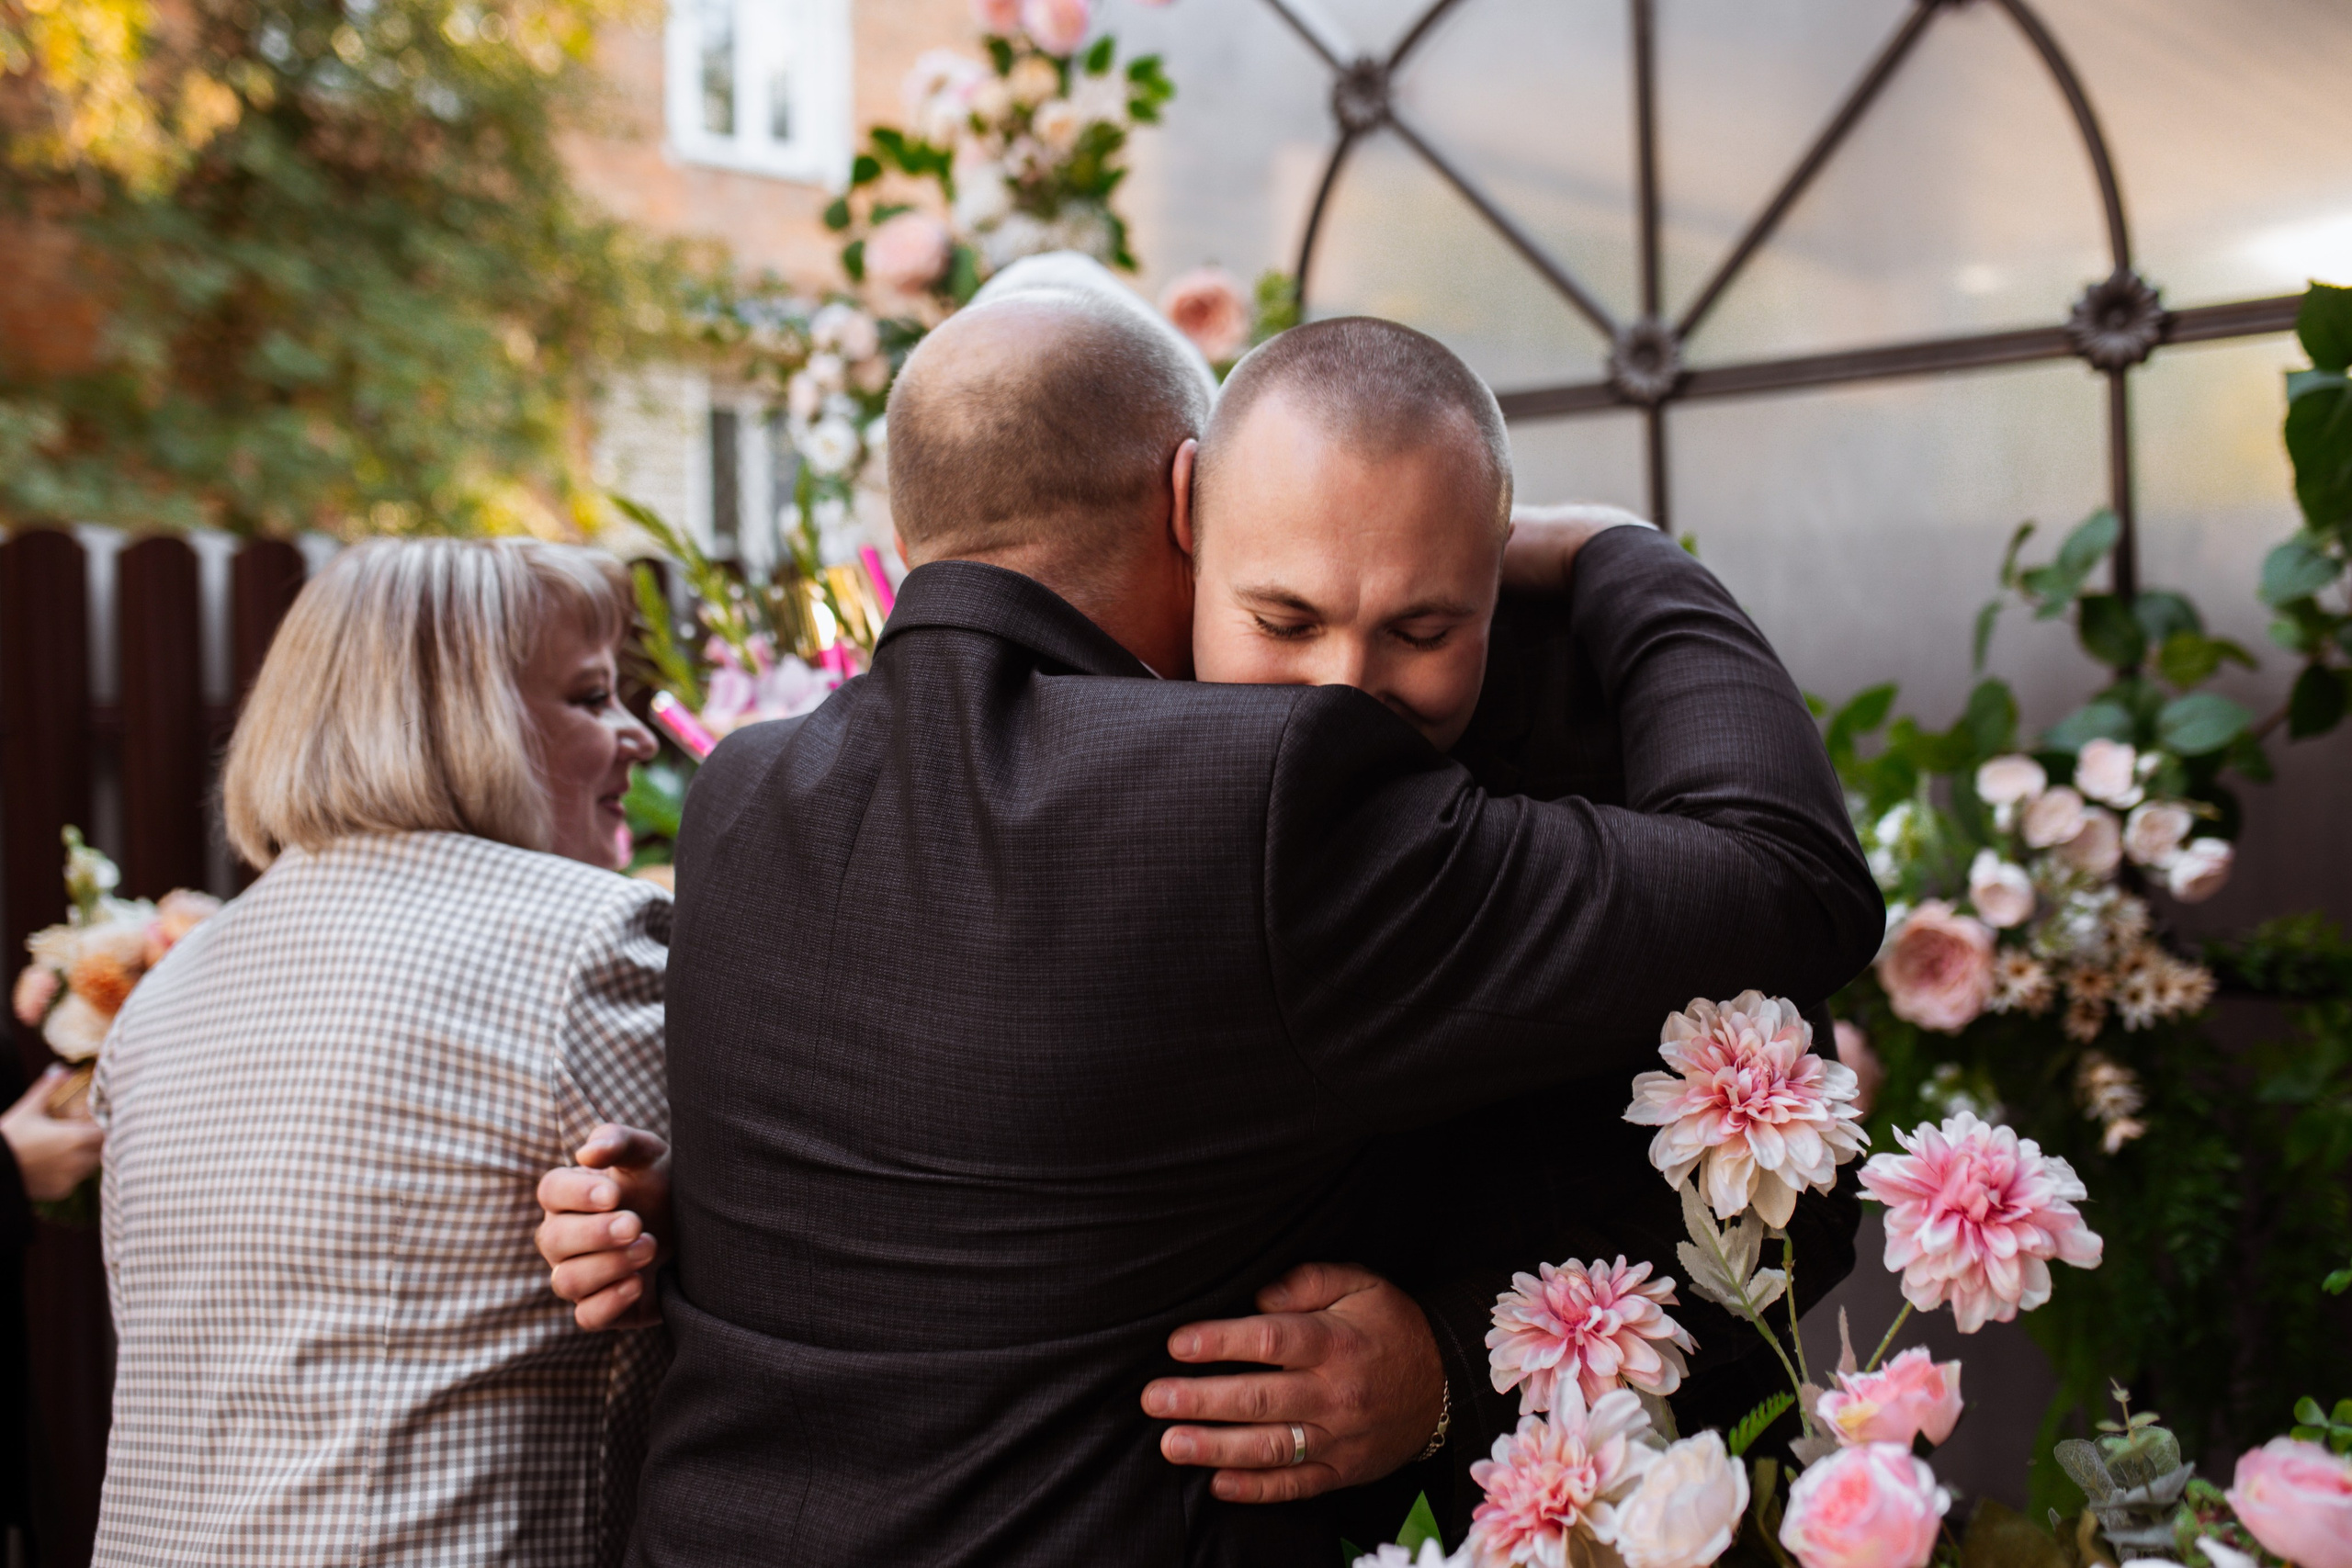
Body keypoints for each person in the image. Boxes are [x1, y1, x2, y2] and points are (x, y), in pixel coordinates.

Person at [582, 258, 1878, 1567]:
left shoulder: (740, 794)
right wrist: (1618, 548)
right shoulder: (1257, 798)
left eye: (1425, 624)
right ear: (1190, 502)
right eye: (1285, 615)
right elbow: (1788, 874)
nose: (1341, 687)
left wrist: (660, 1207)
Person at [90, 539, 672, 1568]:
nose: (638, 735)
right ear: (464, 722)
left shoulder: (164, 994)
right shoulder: (585, 938)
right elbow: (798, 1237)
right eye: (590, 697)